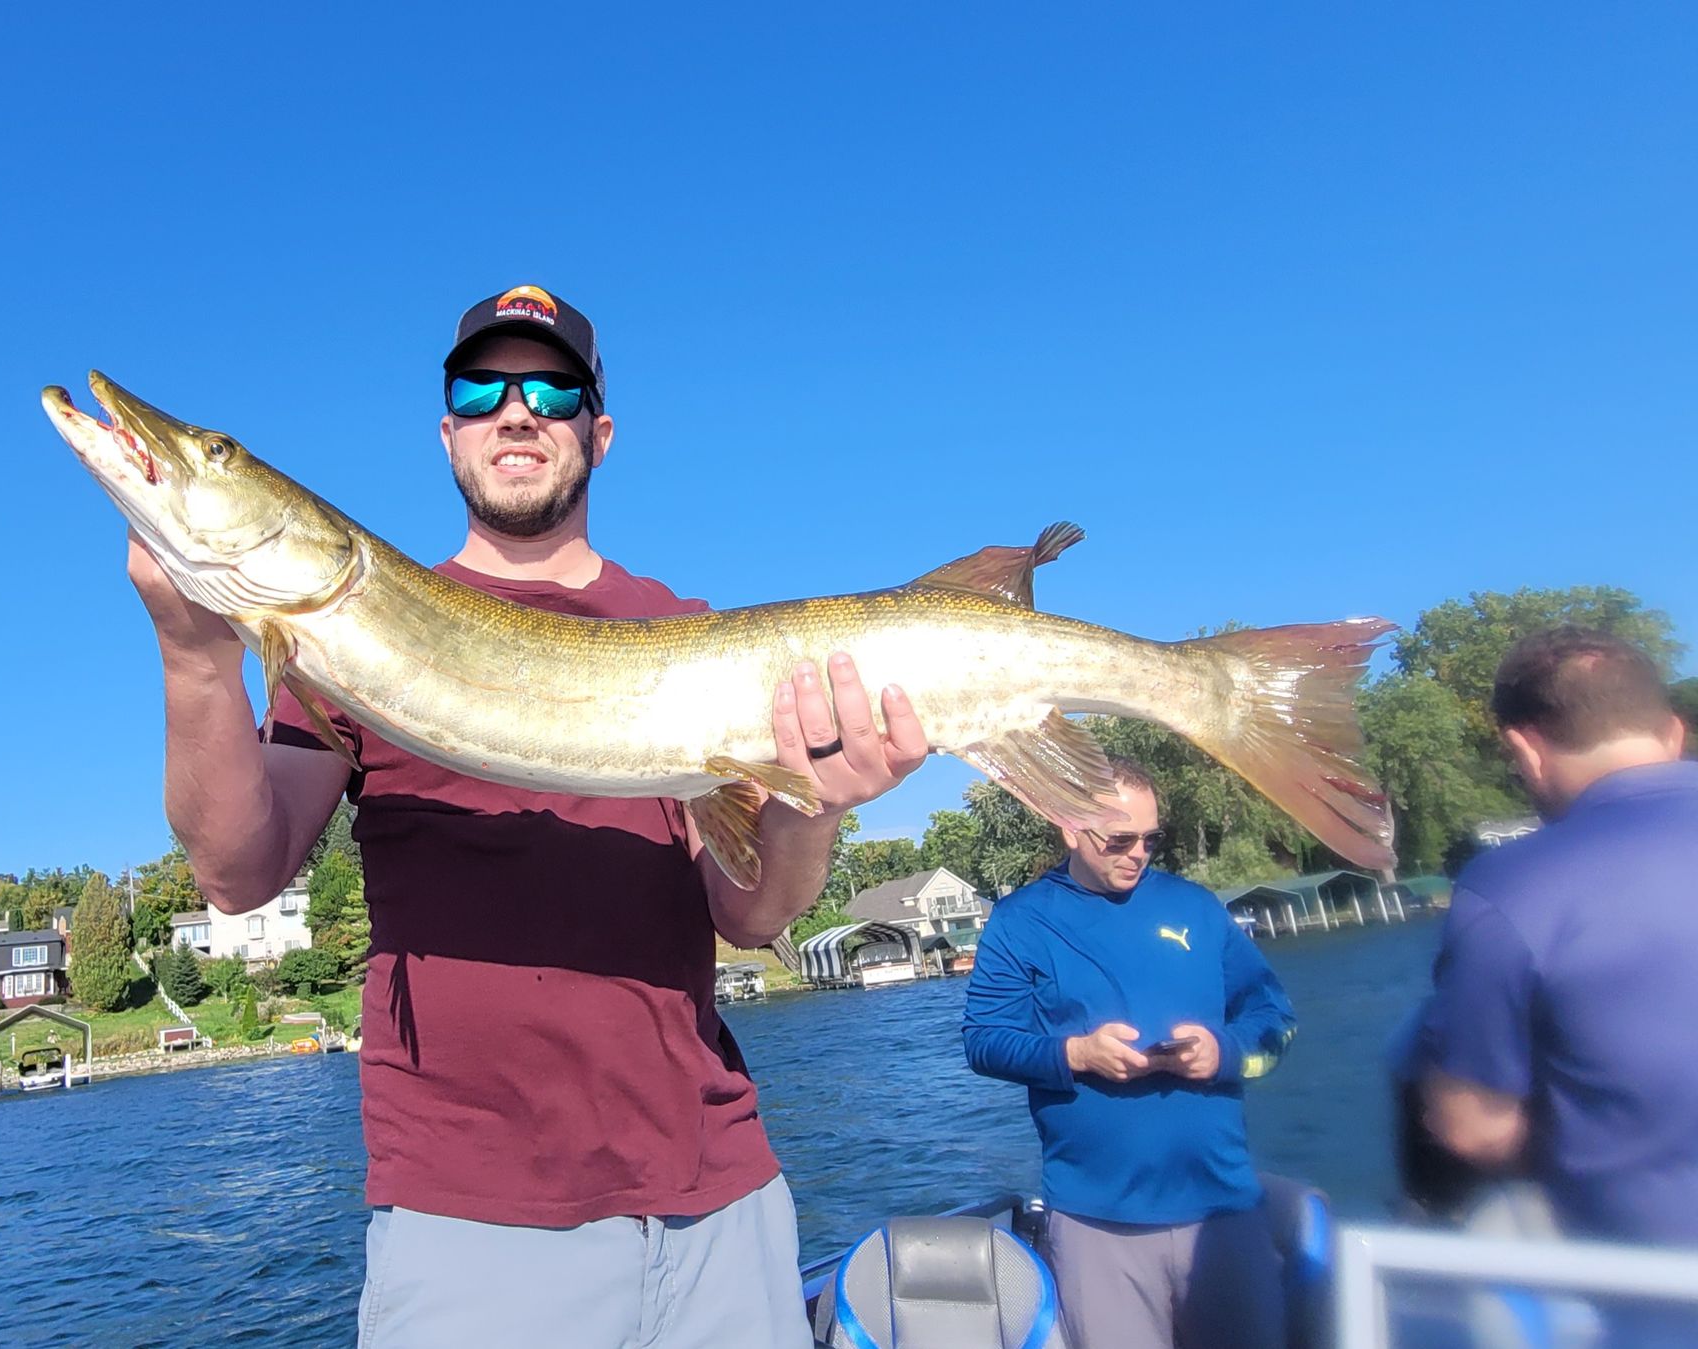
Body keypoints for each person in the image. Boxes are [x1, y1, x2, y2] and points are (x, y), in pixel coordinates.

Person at [125, 284, 928, 1347]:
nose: (519, 408)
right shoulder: (328, 652)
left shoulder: (675, 625)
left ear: (598, 430)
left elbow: (753, 913)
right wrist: (195, 655)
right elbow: (237, 871)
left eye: (554, 387)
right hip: (467, 1222)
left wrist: (812, 806)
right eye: (482, 385)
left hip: (717, 1191)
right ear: (448, 428)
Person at [962, 758, 1297, 1349]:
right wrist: (1075, 1054)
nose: (1137, 854)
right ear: (1069, 826)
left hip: (1223, 1210)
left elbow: (1276, 1022)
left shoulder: (1195, 907)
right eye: (1119, 839)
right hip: (1096, 1222)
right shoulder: (1020, 922)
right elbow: (984, 1041)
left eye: (1150, 838)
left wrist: (1221, 1052)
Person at [1415, 626, 1697, 1250]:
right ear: (1674, 733)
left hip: (1650, 1297)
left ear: (1526, 749)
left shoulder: (1511, 887)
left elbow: (1471, 1127)